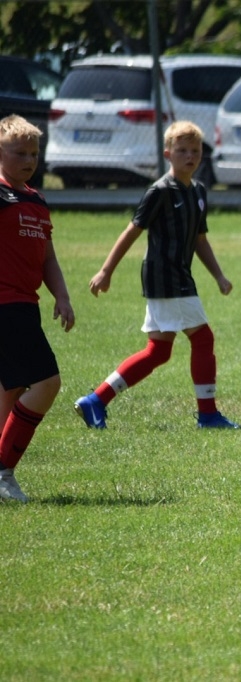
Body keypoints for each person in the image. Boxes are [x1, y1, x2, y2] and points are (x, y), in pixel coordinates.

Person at [73, 121, 238, 430]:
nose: (190, 156)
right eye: (182, 150)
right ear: (167, 154)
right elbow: (132, 230)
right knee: (203, 338)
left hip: (180, 276)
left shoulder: (199, 191)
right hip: (165, 277)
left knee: (158, 352)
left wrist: (218, 275)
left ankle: (96, 400)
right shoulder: (160, 191)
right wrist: (106, 270)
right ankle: (208, 415)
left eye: (195, 150)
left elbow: (200, 239)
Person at [0, 114, 76, 502]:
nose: (29, 160)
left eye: (34, 153)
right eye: (19, 153)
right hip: (5, 305)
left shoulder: (36, 200)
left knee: (11, 389)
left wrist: (61, 296)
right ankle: (3, 471)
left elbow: (48, 258)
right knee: (47, 382)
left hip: (25, 305)